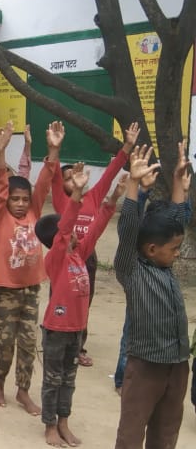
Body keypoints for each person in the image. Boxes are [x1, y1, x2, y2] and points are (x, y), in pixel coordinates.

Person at [111, 143, 191, 449]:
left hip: (177, 361)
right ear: (150, 249)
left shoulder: (164, 264)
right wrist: (132, 185)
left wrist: (178, 186)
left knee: (168, 423)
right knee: (135, 423)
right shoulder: (132, 270)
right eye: (173, 250)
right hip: (145, 363)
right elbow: (129, 229)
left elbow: (176, 219)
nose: (177, 254)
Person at [34, 164, 121, 448]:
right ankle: (49, 425)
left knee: (69, 380)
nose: (74, 233)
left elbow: (95, 230)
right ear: (58, 238)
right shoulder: (56, 259)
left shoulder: (79, 254)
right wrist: (76, 194)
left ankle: (63, 422)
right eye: (68, 231)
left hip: (75, 332)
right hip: (56, 331)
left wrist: (111, 201)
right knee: (53, 379)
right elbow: (65, 230)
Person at [50, 122, 140, 367]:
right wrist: (54, 149)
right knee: (59, 301)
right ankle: (54, 338)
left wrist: (127, 147)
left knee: (83, 303)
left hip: (86, 258)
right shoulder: (61, 200)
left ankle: (78, 346)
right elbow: (53, 176)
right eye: (68, 179)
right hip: (63, 259)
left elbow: (110, 172)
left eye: (76, 177)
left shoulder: (94, 197)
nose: (74, 181)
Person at [0, 121, 60, 413]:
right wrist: (1, 150)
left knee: (29, 342)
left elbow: (44, 181)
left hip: (31, 289)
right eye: (15, 199)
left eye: (24, 200)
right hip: (6, 290)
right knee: (5, 341)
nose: (20, 204)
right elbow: (0, 185)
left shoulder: (34, 211)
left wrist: (53, 150)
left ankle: (23, 390)